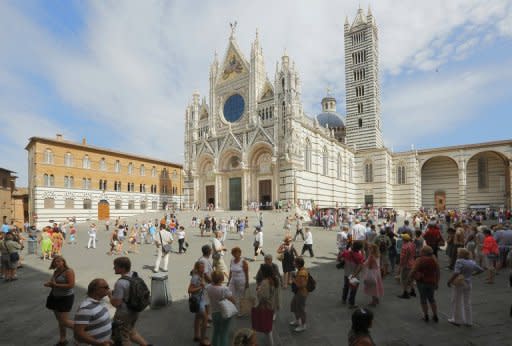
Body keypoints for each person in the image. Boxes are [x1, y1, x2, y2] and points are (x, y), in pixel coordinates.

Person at [109, 257, 150, 346]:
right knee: (131, 331)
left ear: (122, 268)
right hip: (135, 310)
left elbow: (116, 303)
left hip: (124, 313)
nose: (114, 268)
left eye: (115, 266)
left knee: (124, 337)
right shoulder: (134, 275)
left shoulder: (120, 283)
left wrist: (109, 295)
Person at [447, 247, 484, 326]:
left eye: (458, 253)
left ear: (460, 254)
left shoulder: (459, 261)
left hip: (459, 283)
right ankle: (469, 321)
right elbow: (481, 270)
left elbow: (456, 273)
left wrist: (449, 281)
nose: (457, 254)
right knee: (467, 302)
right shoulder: (472, 262)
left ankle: (456, 320)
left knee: (456, 301)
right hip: (468, 283)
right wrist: (472, 275)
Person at [45, 256, 75, 346]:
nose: (57, 263)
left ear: (63, 262)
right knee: (60, 320)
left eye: (59, 261)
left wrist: (55, 285)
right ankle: (63, 339)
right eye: (55, 262)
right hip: (55, 297)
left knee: (64, 321)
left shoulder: (69, 271)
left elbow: (71, 285)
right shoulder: (56, 271)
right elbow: (53, 283)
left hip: (65, 298)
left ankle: (81, 329)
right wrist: (50, 284)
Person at [73, 278, 113, 345]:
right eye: (106, 287)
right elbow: (78, 332)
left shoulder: (100, 302)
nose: (108, 289)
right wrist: (98, 343)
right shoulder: (86, 308)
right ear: (96, 290)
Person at [408, 246, 440, 323]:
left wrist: (409, 278)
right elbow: (438, 273)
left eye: (421, 251)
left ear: (424, 252)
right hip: (432, 282)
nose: (420, 252)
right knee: (432, 298)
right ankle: (435, 315)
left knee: (423, 299)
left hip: (422, 282)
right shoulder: (434, 260)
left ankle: (426, 315)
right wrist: (437, 282)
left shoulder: (420, 259)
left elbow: (413, 270)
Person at [206, 270, 236, 346]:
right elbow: (232, 300)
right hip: (224, 312)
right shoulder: (224, 289)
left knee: (216, 331)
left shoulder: (208, 287)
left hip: (214, 312)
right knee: (224, 332)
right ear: (221, 279)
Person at [255, 263, 279, 345]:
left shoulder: (265, 282)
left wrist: (258, 290)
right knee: (267, 327)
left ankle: (270, 343)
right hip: (271, 304)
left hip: (265, 306)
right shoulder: (273, 279)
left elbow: (263, 296)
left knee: (267, 329)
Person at [188, 261, 208, 343]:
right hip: (198, 301)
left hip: (201, 299)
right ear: (197, 268)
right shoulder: (195, 277)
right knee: (205, 319)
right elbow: (189, 290)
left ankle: (197, 335)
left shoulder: (202, 275)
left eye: (204, 267)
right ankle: (203, 338)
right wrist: (200, 287)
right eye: (201, 268)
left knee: (198, 318)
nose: (203, 269)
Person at [341, 240, 365, 309]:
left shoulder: (346, 253)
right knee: (353, 290)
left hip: (346, 273)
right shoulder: (360, 256)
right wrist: (354, 274)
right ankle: (351, 303)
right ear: (360, 248)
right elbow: (360, 267)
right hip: (354, 276)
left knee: (346, 287)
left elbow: (340, 258)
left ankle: (343, 299)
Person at [289, 257, 309, 332]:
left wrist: (293, 279)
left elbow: (302, 285)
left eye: (294, 262)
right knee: (293, 305)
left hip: (302, 293)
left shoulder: (302, 273)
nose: (293, 263)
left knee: (301, 309)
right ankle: (298, 321)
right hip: (298, 293)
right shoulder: (301, 270)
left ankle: (303, 325)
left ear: (298, 264)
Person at [228, 247, 249, 312]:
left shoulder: (243, 261)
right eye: (234, 253)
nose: (235, 254)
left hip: (241, 281)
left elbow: (246, 273)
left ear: (240, 253)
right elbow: (230, 271)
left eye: (236, 253)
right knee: (230, 294)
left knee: (241, 296)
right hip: (233, 280)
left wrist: (247, 282)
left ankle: (240, 310)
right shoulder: (232, 260)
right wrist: (229, 280)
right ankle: (233, 308)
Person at [398, 234, 417, 299]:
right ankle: (412, 291)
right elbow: (414, 253)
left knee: (404, 279)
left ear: (403, 239)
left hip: (406, 265)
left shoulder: (404, 247)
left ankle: (405, 293)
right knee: (410, 278)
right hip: (412, 262)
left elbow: (403, 257)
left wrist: (400, 266)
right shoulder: (412, 244)